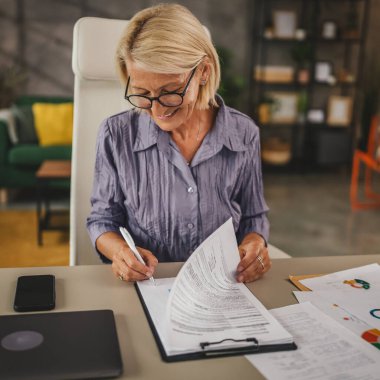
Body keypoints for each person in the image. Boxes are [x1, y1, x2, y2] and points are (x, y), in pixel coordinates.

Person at [86, 3, 271, 284]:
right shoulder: (115, 135)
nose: (157, 111)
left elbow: (253, 216)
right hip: (149, 286)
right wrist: (120, 252)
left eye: (170, 92)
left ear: (203, 72)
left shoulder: (243, 133)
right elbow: (102, 221)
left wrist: (256, 243)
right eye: (142, 93)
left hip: (223, 286)